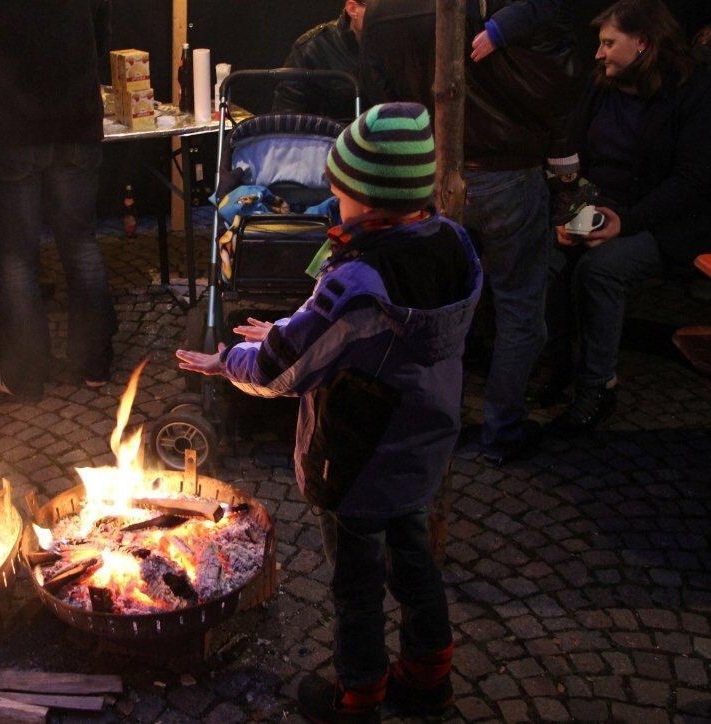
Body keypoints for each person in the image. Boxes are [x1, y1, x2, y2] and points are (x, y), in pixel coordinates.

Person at [178, 103, 482, 723]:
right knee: (416, 563)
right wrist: (292, 330)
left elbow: (282, 370)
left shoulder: (358, 279)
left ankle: (358, 696)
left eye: (337, 189)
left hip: (358, 457)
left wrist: (233, 358)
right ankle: (428, 679)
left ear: (367, 200)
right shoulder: (450, 242)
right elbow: (348, 338)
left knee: (357, 584)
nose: (331, 198)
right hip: (422, 447)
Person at [359, 0, 581, 465]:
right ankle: (502, 429)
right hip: (508, 173)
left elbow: (383, 99)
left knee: (439, 305)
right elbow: (552, 86)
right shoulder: (501, 12)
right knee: (520, 306)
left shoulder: (382, 14)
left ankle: (438, 425)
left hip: (435, 174)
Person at [545, 0, 711, 432]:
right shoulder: (602, 85)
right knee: (550, 258)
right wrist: (570, 213)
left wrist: (628, 222)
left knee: (602, 270)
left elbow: (692, 180)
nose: (598, 53)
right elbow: (574, 150)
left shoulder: (693, 92)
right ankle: (554, 367)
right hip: (602, 203)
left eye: (607, 43)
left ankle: (597, 386)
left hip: (667, 219)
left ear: (642, 43)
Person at [0, 0, 118, 400]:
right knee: (80, 244)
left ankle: (26, 374)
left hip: (9, 125)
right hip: (74, 117)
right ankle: (93, 363)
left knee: (17, 257)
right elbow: (100, 32)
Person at [271, 0, 366, 120]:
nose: (389, 14)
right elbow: (286, 117)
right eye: (380, 6)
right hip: (331, 136)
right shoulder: (313, 47)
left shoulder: (395, 42)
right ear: (352, 9)